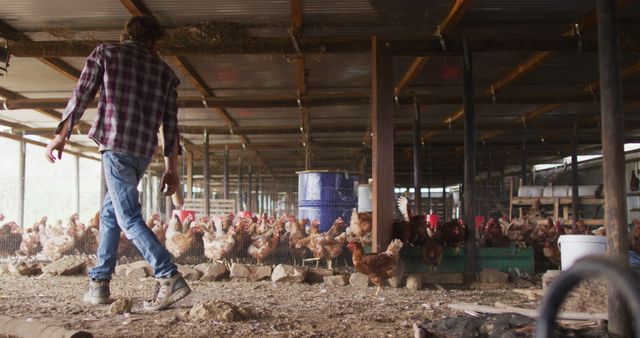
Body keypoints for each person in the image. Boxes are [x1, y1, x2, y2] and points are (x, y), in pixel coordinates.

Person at [45, 15, 190, 311]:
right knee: (110, 213)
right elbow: (171, 127)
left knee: (127, 216)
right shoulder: (165, 73)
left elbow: (81, 94)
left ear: (126, 34)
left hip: (116, 146)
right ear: (153, 42)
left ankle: (168, 276)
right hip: (141, 152)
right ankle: (99, 283)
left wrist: (62, 134)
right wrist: (172, 168)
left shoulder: (107, 53)